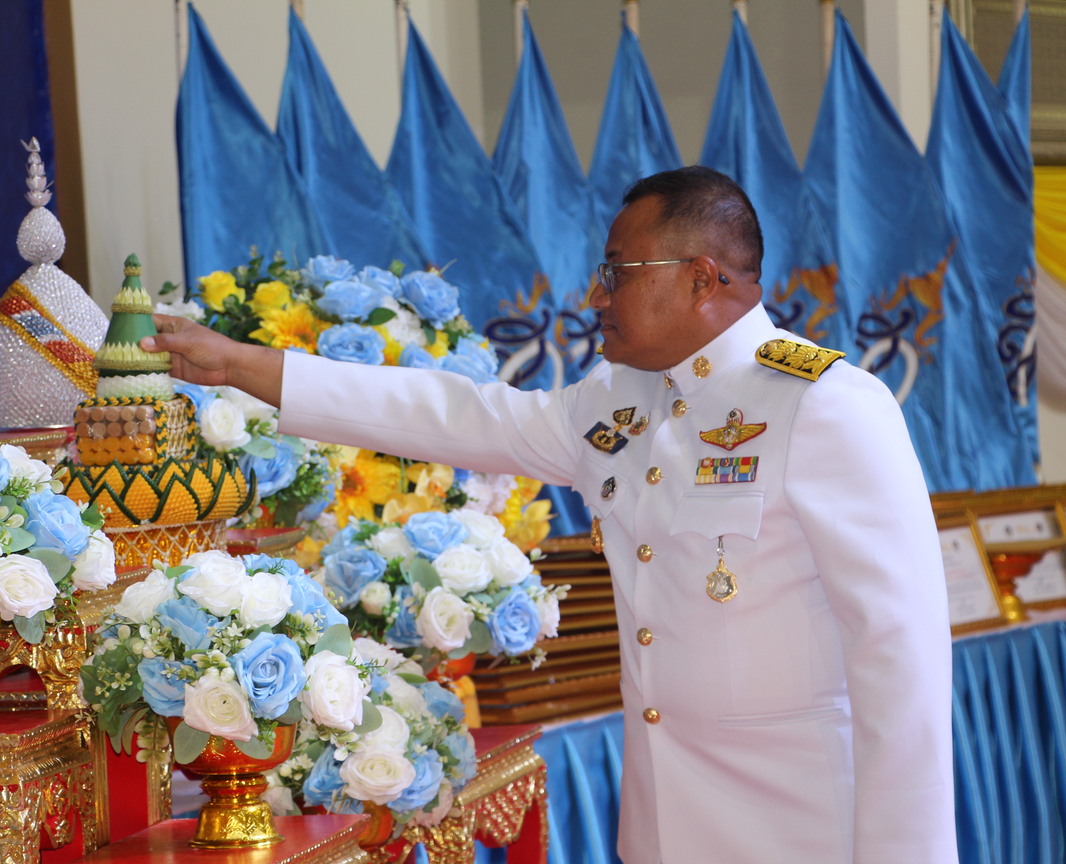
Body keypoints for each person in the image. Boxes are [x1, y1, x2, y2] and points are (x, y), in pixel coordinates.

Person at [143, 166, 958, 864]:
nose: (594, 296)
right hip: (666, 823)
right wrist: (246, 365)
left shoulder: (825, 406)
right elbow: (456, 415)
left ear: (705, 279)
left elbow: (902, 657)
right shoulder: (620, 401)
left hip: (801, 828)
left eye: (619, 272)